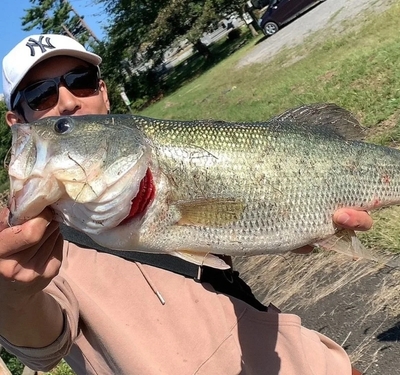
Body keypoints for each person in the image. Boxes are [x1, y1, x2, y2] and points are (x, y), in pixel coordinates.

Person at [0, 34, 373, 375]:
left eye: (80, 81)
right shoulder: (26, 243)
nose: (67, 102)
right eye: (41, 96)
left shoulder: (154, 161)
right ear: (18, 122)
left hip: (300, 359)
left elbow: (228, 225)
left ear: (104, 92)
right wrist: (12, 296)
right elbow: (42, 347)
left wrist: (288, 222)